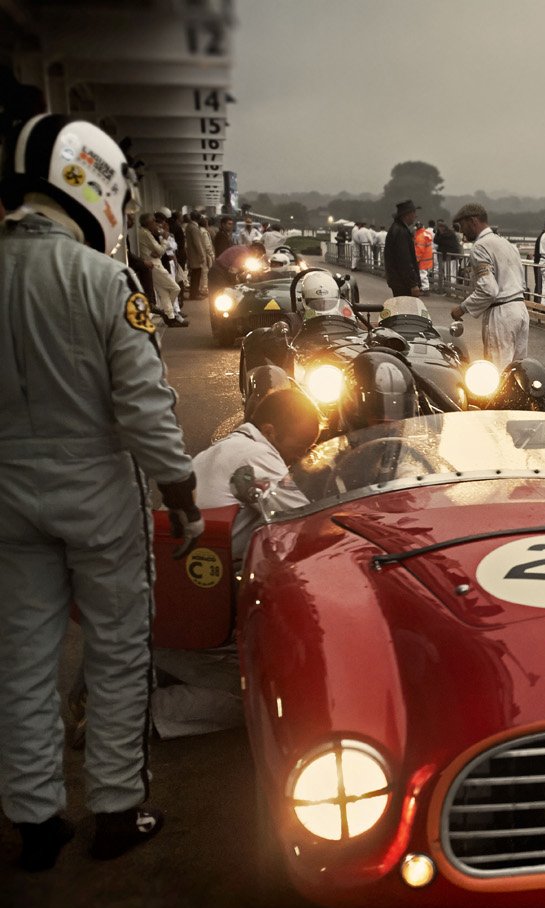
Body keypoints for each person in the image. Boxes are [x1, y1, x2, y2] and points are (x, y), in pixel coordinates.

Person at [0, 114, 202, 869]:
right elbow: (144, 406)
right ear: (93, 183)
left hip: (5, 490)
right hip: (96, 486)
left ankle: (35, 820)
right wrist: (179, 492)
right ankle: (116, 809)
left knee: (19, 656)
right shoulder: (104, 278)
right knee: (118, 650)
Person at [192, 387, 319, 564]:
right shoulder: (256, 455)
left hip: (191, 560)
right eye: (298, 448)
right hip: (215, 570)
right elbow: (301, 518)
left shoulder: (229, 447)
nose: (300, 458)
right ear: (269, 432)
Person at [450, 202, 531, 366]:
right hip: (520, 309)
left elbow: (488, 290)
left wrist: (462, 308)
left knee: (498, 372)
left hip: (501, 313)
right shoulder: (506, 244)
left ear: (473, 221)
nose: (462, 231)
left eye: (463, 225)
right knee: (518, 370)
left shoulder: (480, 247)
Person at [384, 199, 421, 298]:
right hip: (403, 283)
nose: (415, 216)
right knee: (406, 310)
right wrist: (412, 284)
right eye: (414, 213)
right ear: (407, 214)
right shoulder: (401, 232)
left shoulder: (396, 228)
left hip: (397, 280)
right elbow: (404, 260)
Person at [184, 211, 210, 299]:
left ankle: (194, 292)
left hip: (192, 254)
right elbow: (197, 243)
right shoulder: (194, 228)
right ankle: (194, 294)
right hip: (196, 255)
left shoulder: (189, 226)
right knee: (196, 275)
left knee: (195, 275)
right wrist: (202, 255)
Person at [415, 219, 435, 292]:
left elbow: (420, 250)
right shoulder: (426, 233)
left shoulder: (420, 236)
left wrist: (417, 259)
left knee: (422, 274)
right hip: (428, 257)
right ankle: (424, 288)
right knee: (424, 273)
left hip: (423, 258)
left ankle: (425, 289)